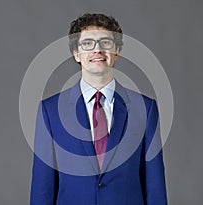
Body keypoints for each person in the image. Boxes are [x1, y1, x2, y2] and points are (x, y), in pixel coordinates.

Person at [30, 13, 168, 205]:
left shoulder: (145, 108)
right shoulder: (50, 111)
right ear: (76, 54)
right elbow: (42, 185)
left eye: (106, 43)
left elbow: (155, 184)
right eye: (87, 44)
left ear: (117, 51)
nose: (97, 50)